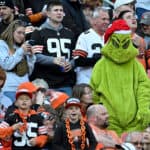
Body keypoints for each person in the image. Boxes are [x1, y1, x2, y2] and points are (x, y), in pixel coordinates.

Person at [90, 19, 150, 135]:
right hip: (109, 123)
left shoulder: (135, 65)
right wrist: (100, 117)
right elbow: (94, 94)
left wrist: (144, 110)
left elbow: (144, 90)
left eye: (125, 42)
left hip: (135, 123)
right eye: (117, 42)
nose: (121, 47)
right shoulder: (101, 66)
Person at [30, 0, 76, 96]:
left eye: (61, 10)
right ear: (48, 13)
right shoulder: (38, 32)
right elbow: (35, 56)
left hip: (66, 82)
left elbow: (75, 56)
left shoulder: (70, 33)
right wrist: (52, 60)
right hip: (46, 82)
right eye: (56, 10)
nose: (59, 13)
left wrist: (71, 64)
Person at [0, 83, 48, 149]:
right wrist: (12, 129)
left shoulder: (37, 110)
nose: (36, 95)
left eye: (35, 93)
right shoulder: (12, 113)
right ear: (17, 101)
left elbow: (45, 134)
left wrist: (38, 140)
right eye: (33, 93)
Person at [0, 20, 36, 101]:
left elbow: (29, 72)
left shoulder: (22, 46)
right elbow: (6, 65)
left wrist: (31, 57)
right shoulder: (2, 44)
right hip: (9, 89)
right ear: (11, 32)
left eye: (23, 33)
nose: (22, 36)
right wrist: (20, 51)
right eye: (19, 33)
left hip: (25, 89)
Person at [73, 6, 110, 84]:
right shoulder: (85, 36)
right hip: (87, 81)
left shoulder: (111, 37)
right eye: (103, 19)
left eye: (108, 19)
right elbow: (78, 61)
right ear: (94, 21)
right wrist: (97, 59)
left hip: (105, 82)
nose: (107, 22)